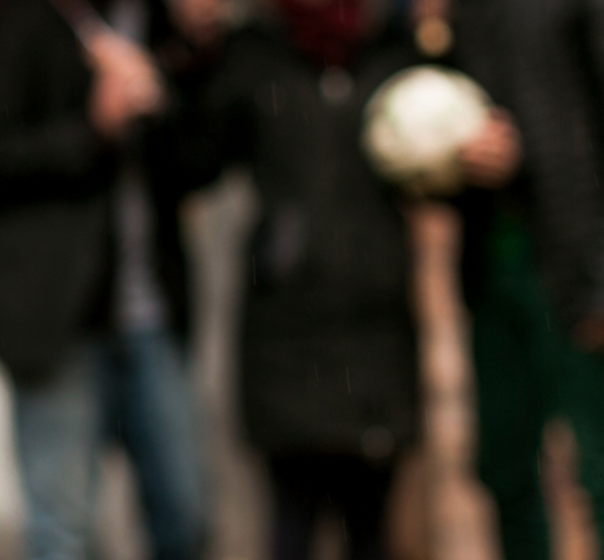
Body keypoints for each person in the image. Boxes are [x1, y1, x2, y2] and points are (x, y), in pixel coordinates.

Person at [156, 0, 443, 557]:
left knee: (372, 530)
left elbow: (446, 170)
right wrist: (189, 59)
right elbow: (186, 163)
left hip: (376, 328)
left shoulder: (399, 51)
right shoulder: (250, 56)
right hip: (285, 331)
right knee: (292, 526)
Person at [0, 0, 210, 559]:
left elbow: (197, 164)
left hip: (152, 313)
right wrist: (92, 129)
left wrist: (178, 77)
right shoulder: (23, 19)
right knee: (63, 531)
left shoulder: (161, 26)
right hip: (56, 322)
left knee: (186, 516)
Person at [445, 0, 604, 557]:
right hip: (491, 268)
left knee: (597, 467)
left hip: (577, 267)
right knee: (505, 467)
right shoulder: (458, 14)